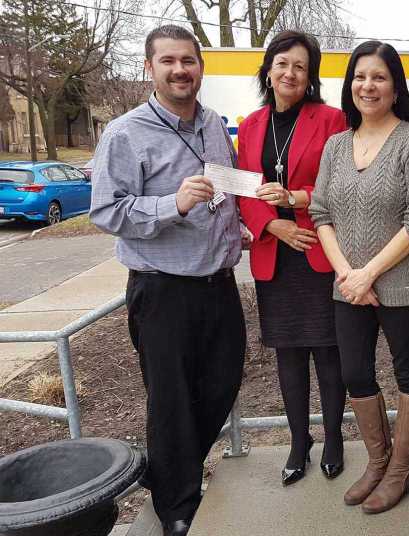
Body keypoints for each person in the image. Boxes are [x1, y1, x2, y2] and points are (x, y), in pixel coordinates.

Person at [89, 25, 247, 536]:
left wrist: (239, 227)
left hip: (219, 284)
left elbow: (221, 190)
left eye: (189, 60)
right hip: (162, 290)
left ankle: (167, 472)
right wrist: (171, 204)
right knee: (172, 398)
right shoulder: (124, 133)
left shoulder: (214, 126)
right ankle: (177, 505)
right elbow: (106, 212)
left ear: (200, 67)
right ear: (149, 68)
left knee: (222, 384)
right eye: (169, 61)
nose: (181, 70)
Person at [309, 41, 409, 514]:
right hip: (348, 286)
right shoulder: (336, 144)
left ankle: (401, 472)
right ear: (350, 85)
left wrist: (369, 272)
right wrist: (348, 273)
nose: (369, 85)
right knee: (355, 373)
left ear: (395, 86)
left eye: (380, 77)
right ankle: (377, 460)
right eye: (361, 76)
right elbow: (321, 212)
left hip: (404, 284)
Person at [236, 30, 347, 487]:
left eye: (300, 66)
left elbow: (343, 185)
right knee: (288, 353)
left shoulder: (332, 119)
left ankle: (335, 437)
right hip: (275, 255)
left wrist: (298, 202)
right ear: (268, 69)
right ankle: (299, 442)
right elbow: (245, 189)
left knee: (328, 350)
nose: (289, 72)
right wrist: (273, 225)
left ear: (310, 76)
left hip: (320, 249)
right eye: (282, 63)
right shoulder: (250, 124)